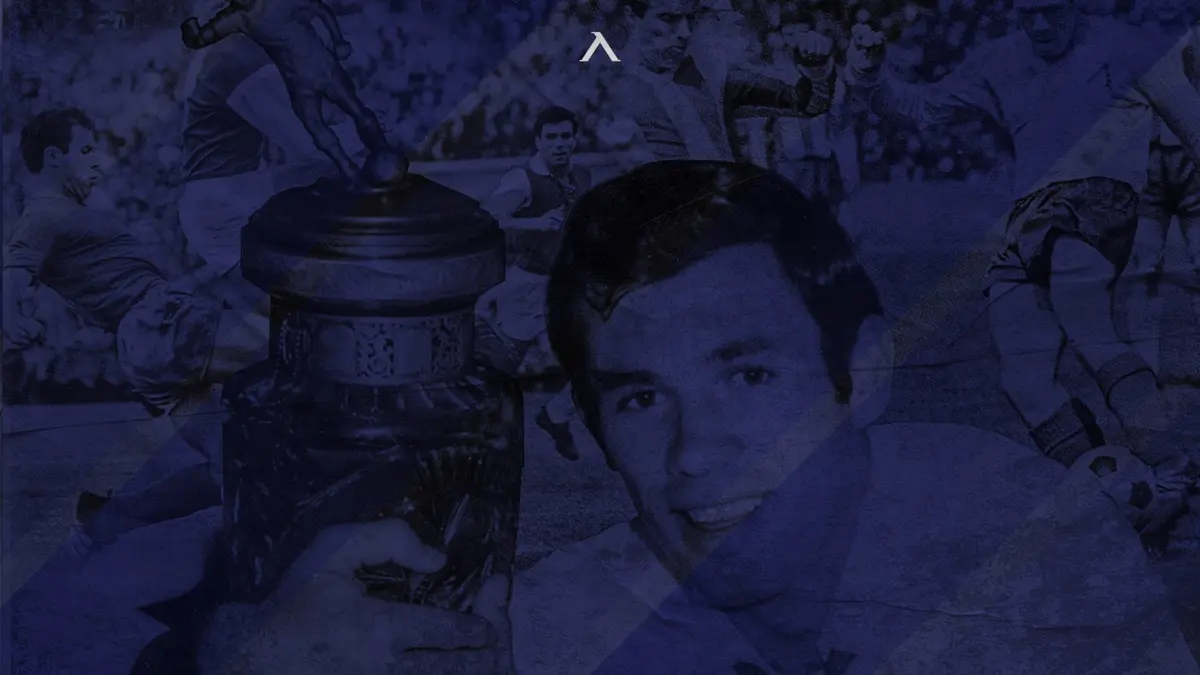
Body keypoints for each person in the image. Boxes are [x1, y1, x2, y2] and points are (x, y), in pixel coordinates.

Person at [41, 162, 1199, 674]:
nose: (696, 455)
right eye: (640, 397)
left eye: (749, 374)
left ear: (868, 373)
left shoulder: (1021, 552)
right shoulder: (548, 625)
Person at [846, 1, 1200, 542]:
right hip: (1026, 217)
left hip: (1096, 198)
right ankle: (1113, 501)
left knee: (1084, 318)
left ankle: (1173, 470)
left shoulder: (1127, 45)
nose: (1038, 25)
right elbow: (915, 108)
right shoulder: (999, 60)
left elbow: (1193, 124)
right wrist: (868, 70)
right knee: (1024, 379)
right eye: (1026, 12)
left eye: (1049, 11)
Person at [2, 108, 269, 554]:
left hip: (148, 349)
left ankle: (112, 516)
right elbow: (13, 272)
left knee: (229, 469)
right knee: (307, 347)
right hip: (164, 326)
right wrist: (13, 318)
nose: (97, 162)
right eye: (86, 150)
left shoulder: (62, 213)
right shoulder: (45, 215)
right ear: (53, 157)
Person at [480, 105, 593, 459]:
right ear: (538, 141)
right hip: (527, 287)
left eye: (565, 136)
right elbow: (489, 215)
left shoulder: (582, 176)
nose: (559, 144)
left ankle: (556, 415)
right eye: (552, 137)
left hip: (566, 286)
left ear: (575, 140)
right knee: (502, 368)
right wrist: (534, 223)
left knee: (596, 356)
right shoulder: (523, 179)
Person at [181, 0, 390, 181]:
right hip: (233, 193)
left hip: (236, 185)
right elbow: (304, 144)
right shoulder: (232, 55)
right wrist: (371, 130)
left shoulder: (229, 47)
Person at [610, 0, 836, 163]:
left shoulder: (709, 73)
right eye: (668, 18)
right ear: (631, 16)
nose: (685, 32)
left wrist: (815, 64)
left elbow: (806, 103)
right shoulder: (607, 85)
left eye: (691, 17)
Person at [1125, 0, 1200, 383]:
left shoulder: (1196, 39)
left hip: (1192, 166)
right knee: (1144, 268)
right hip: (1148, 167)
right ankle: (1145, 368)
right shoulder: (1132, 42)